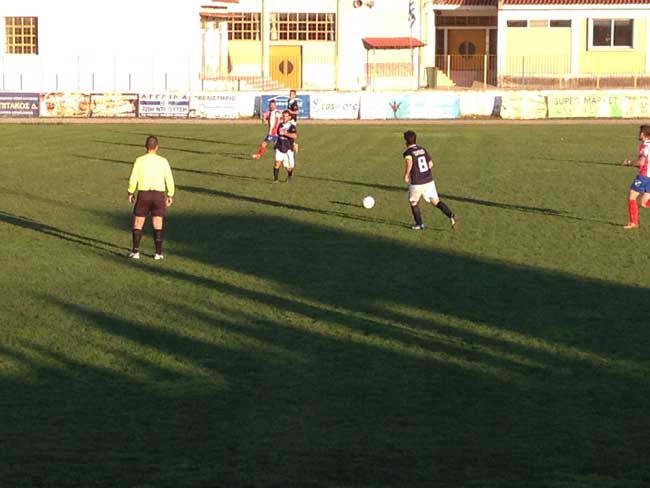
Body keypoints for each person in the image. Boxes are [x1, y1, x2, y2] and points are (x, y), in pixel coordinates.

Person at [127, 135, 175, 260]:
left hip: (144, 194)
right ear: (157, 147)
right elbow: (169, 178)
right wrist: (170, 194)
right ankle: (158, 253)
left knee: (138, 222)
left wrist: (131, 192)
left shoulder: (139, 160)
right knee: (158, 222)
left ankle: (135, 252)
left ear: (146, 146)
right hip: (158, 195)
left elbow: (133, 178)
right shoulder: (163, 161)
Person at [402, 130, 457, 230]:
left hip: (417, 182)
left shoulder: (408, 152)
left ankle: (419, 224)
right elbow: (431, 164)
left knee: (413, 202)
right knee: (435, 201)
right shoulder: (422, 149)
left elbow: (409, 163)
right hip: (429, 180)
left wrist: (406, 175)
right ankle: (451, 215)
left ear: (406, 141)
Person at [622, 124, 650, 229]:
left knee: (632, 196)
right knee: (644, 203)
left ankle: (633, 223)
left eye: (640, 132)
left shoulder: (644, 146)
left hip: (644, 177)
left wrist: (629, 163)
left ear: (642, 134)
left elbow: (641, 162)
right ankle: (634, 222)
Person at [273, 110, 297, 182]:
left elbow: (294, 136)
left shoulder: (292, 126)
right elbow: (278, 135)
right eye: (283, 116)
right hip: (280, 146)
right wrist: (276, 144)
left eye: (286, 116)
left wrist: (285, 134)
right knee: (277, 163)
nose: (284, 118)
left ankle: (290, 175)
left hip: (288, 148)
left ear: (289, 117)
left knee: (289, 167)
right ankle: (275, 180)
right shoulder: (280, 125)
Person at [287, 90, 300, 154]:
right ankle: (294, 144)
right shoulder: (289, 100)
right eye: (290, 94)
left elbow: (297, 112)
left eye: (292, 94)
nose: (290, 95)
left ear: (295, 95)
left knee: (289, 133)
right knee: (288, 133)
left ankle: (294, 145)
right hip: (289, 119)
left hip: (292, 120)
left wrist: (291, 112)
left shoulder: (294, 103)